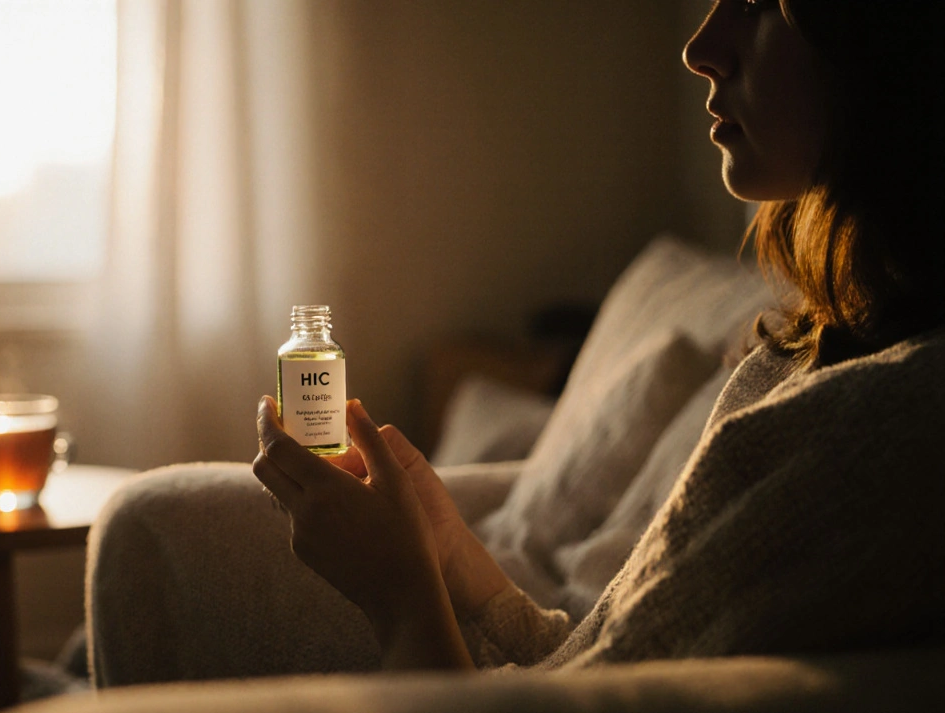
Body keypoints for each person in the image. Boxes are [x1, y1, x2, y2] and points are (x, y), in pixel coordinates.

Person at [252, 0, 945, 672]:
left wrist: (399, 595)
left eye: (757, 2)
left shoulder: (877, 428)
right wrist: (452, 556)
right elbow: (601, 665)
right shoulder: (815, 354)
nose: (698, 49)